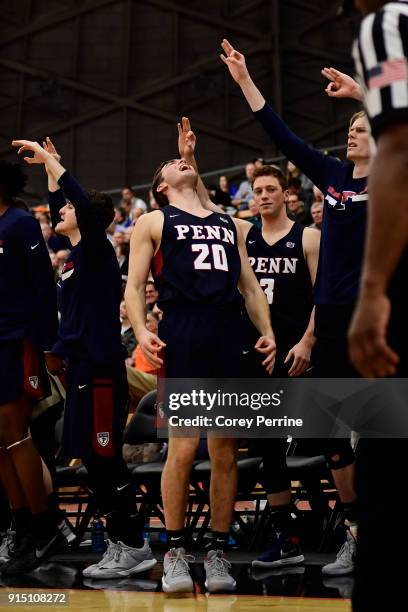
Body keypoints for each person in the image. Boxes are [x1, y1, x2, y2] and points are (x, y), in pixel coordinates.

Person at [221, 39, 370, 575]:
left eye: (363, 128)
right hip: (330, 323)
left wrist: (365, 94)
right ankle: (354, 536)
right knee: (332, 444)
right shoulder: (331, 176)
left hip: (374, 323)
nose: (352, 134)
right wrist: (244, 81)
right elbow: (280, 134)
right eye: (350, 128)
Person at [125, 117, 276, 593]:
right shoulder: (153, 221)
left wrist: (267, 330)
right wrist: (140, 329)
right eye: (173, 165)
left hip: (229, 333)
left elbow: (249, 285)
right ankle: (173, 549)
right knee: (185, 448)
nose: (181, 164)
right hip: (185, 332)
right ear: (162, 187)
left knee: (225, 449)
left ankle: (217, 552)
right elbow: (133, 286)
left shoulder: (230, 224)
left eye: (183, 161)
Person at [11, 137, 156, 579]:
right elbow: (66, 201)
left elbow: (77, 201)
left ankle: (132, 542)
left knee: (103, 456)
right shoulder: (72, 257)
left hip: (101, 368)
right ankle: (122, 541)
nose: (59, 213)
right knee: (92, 459)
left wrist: (55, 164)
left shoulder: (95, 251)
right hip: (79, 370)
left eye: (67, 210)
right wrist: (49, 174)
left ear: (88, 218)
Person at [345, 1, 408, 609]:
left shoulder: (388, 24)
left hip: (397, 312)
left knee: (386, 481)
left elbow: (403, 147)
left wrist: (372, 293)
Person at [237, 164, 320, 569]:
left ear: (287, 194)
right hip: (260, 358)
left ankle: (346, 531)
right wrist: (189, 159)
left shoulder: (308, 236)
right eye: (258, 190)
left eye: (271, 189)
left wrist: (308, 341)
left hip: (299, 354)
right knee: (268, 449)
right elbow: (197, 204)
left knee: (331, 444)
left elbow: (325, 298)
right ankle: (286, 538)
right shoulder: (243, 234)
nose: (264, 195)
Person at [0, 160, 62, 576]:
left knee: (15, 434)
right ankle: (19, 525)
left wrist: (49, 346)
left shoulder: (21, 224)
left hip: (16, 340)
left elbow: (43, 287)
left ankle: (44, 528)